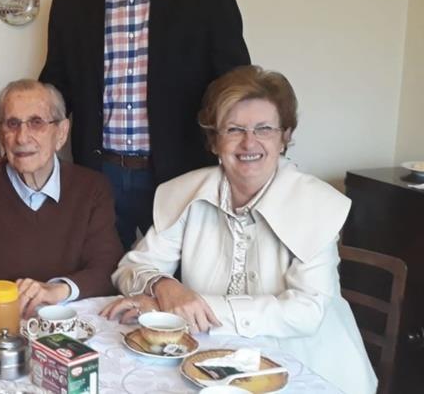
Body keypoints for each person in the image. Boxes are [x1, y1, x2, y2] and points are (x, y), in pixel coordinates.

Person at [100, 65, 376, 394]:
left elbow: (305, 312)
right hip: (210, 363)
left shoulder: (316, 204)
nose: (249, 142)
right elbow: (131, 268)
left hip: (307, 364)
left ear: (285, 137)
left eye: (264, 129)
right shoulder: (185, 193)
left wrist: (186, 306)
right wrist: (162, 285)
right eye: (233, 130)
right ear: (215, 141)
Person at [39, 0, 250, 250]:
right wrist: (22, 135)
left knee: (184, 295)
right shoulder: (70, 1)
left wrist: (247, 158)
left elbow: (235, 84)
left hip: (181, 174)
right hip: (99, 176)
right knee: (103, 294)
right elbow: (56, 89)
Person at [0, 80, 123, 317]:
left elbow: (107, 269)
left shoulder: (92, 188)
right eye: (12, 124)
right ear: (1, 134)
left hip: (66, 327)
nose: (21, 138)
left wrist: (57, 290)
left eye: (36, 122)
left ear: (61, 133)